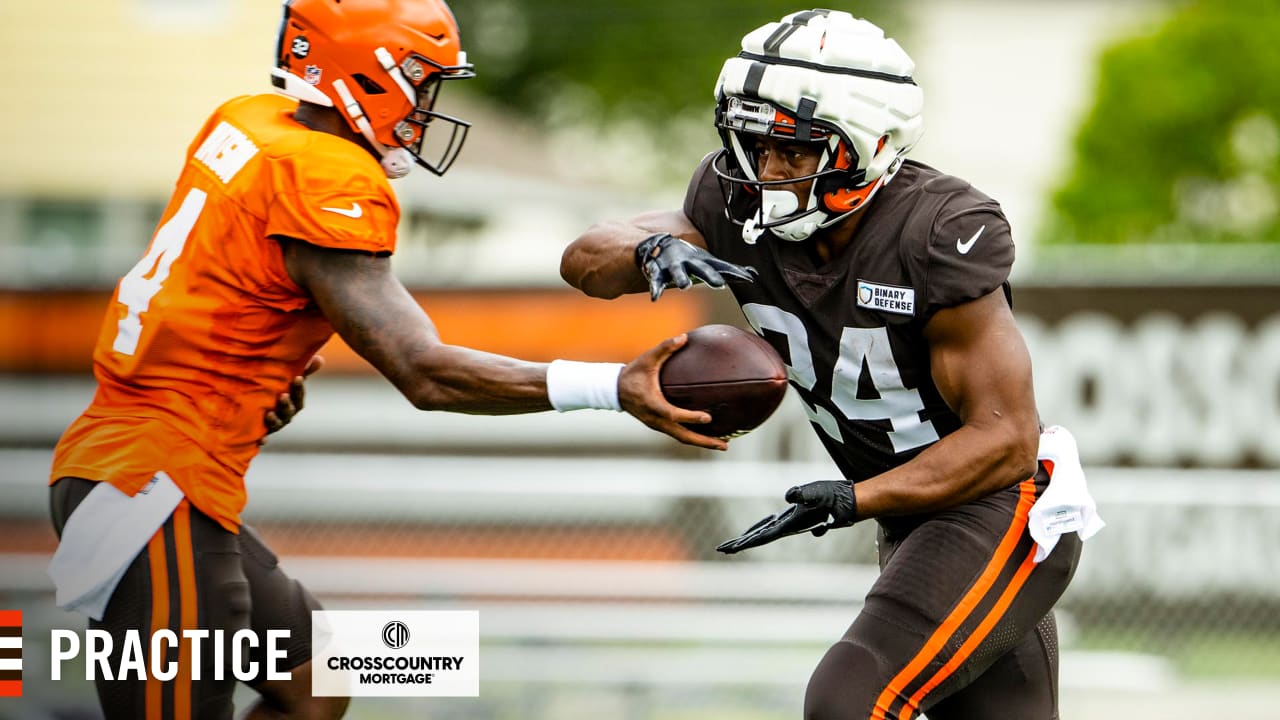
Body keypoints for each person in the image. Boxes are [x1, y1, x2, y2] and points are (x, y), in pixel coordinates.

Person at [45, 1, 737, 718]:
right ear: (363, 74)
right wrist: (613, 387)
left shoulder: (251, 120)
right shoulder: (328, 177)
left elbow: (220, 288)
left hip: (141, 468)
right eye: (419, 79)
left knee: (319, 688)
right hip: (152, 487)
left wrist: (251, 377)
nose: (427, 103)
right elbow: (424, 372)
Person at [561, 9, 1102, 720]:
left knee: (849, 699)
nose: (766, 172)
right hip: (919, 518)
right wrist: (648, 251)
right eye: (753, 145)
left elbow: (1004, 441)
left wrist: (854, 498)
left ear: (869, 147)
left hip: (1004, 509)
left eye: (795, 152)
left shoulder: (937, 229)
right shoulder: (731, 202)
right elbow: (585, 258)